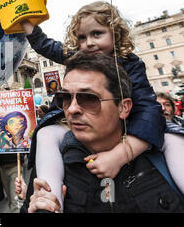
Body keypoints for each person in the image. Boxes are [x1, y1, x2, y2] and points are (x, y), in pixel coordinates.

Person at [19, 1, 171, 210]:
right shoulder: (75, 56)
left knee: (172, 138)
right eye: (82, 37)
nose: (89, 43)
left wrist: (120, 155)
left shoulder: (130, 63)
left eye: (97, 34)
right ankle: (50, 201)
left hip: (131, 129)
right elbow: (46, 45)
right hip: (70, 133)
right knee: (45, 134)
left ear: (115, 34)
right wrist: (25, 24)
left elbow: (149, 111)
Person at [24, 52, 184, 212]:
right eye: (65, 97)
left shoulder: (166, 157)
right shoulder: (51, 167)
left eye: (88, 98)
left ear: (123, 107)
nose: (72, 109)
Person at [156, 92, 184, 194]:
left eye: (167, 104)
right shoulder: (153, 132)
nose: (163, 108)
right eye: (158, 105)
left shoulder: (180, 123)